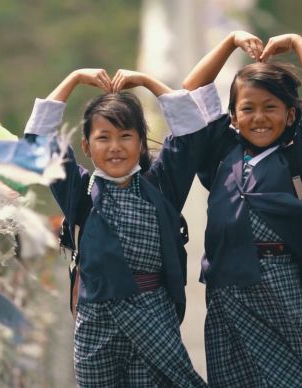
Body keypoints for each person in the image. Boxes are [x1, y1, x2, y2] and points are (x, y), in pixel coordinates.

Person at [164, 31, 302, 387]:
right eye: (247, 108)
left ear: (291, 115)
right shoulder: (219, 150)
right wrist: (230, 41)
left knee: (292, 378)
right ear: (232, 116)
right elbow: (190, 90)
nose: (259, 117)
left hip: (279, 283)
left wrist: (296, 42)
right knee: (230, 380)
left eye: (270, 108)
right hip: (223, 286)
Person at [23, 68, 210, 387]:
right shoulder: (78, 191)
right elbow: (38, 139)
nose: (115, 147)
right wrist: (74, 79)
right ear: (85, 145)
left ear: (140, 143)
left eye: (126, 136)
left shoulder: (163, 184)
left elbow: (192, 132)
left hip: (154, 315)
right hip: (96, 322)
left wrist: (148, 83)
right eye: (103, 138)